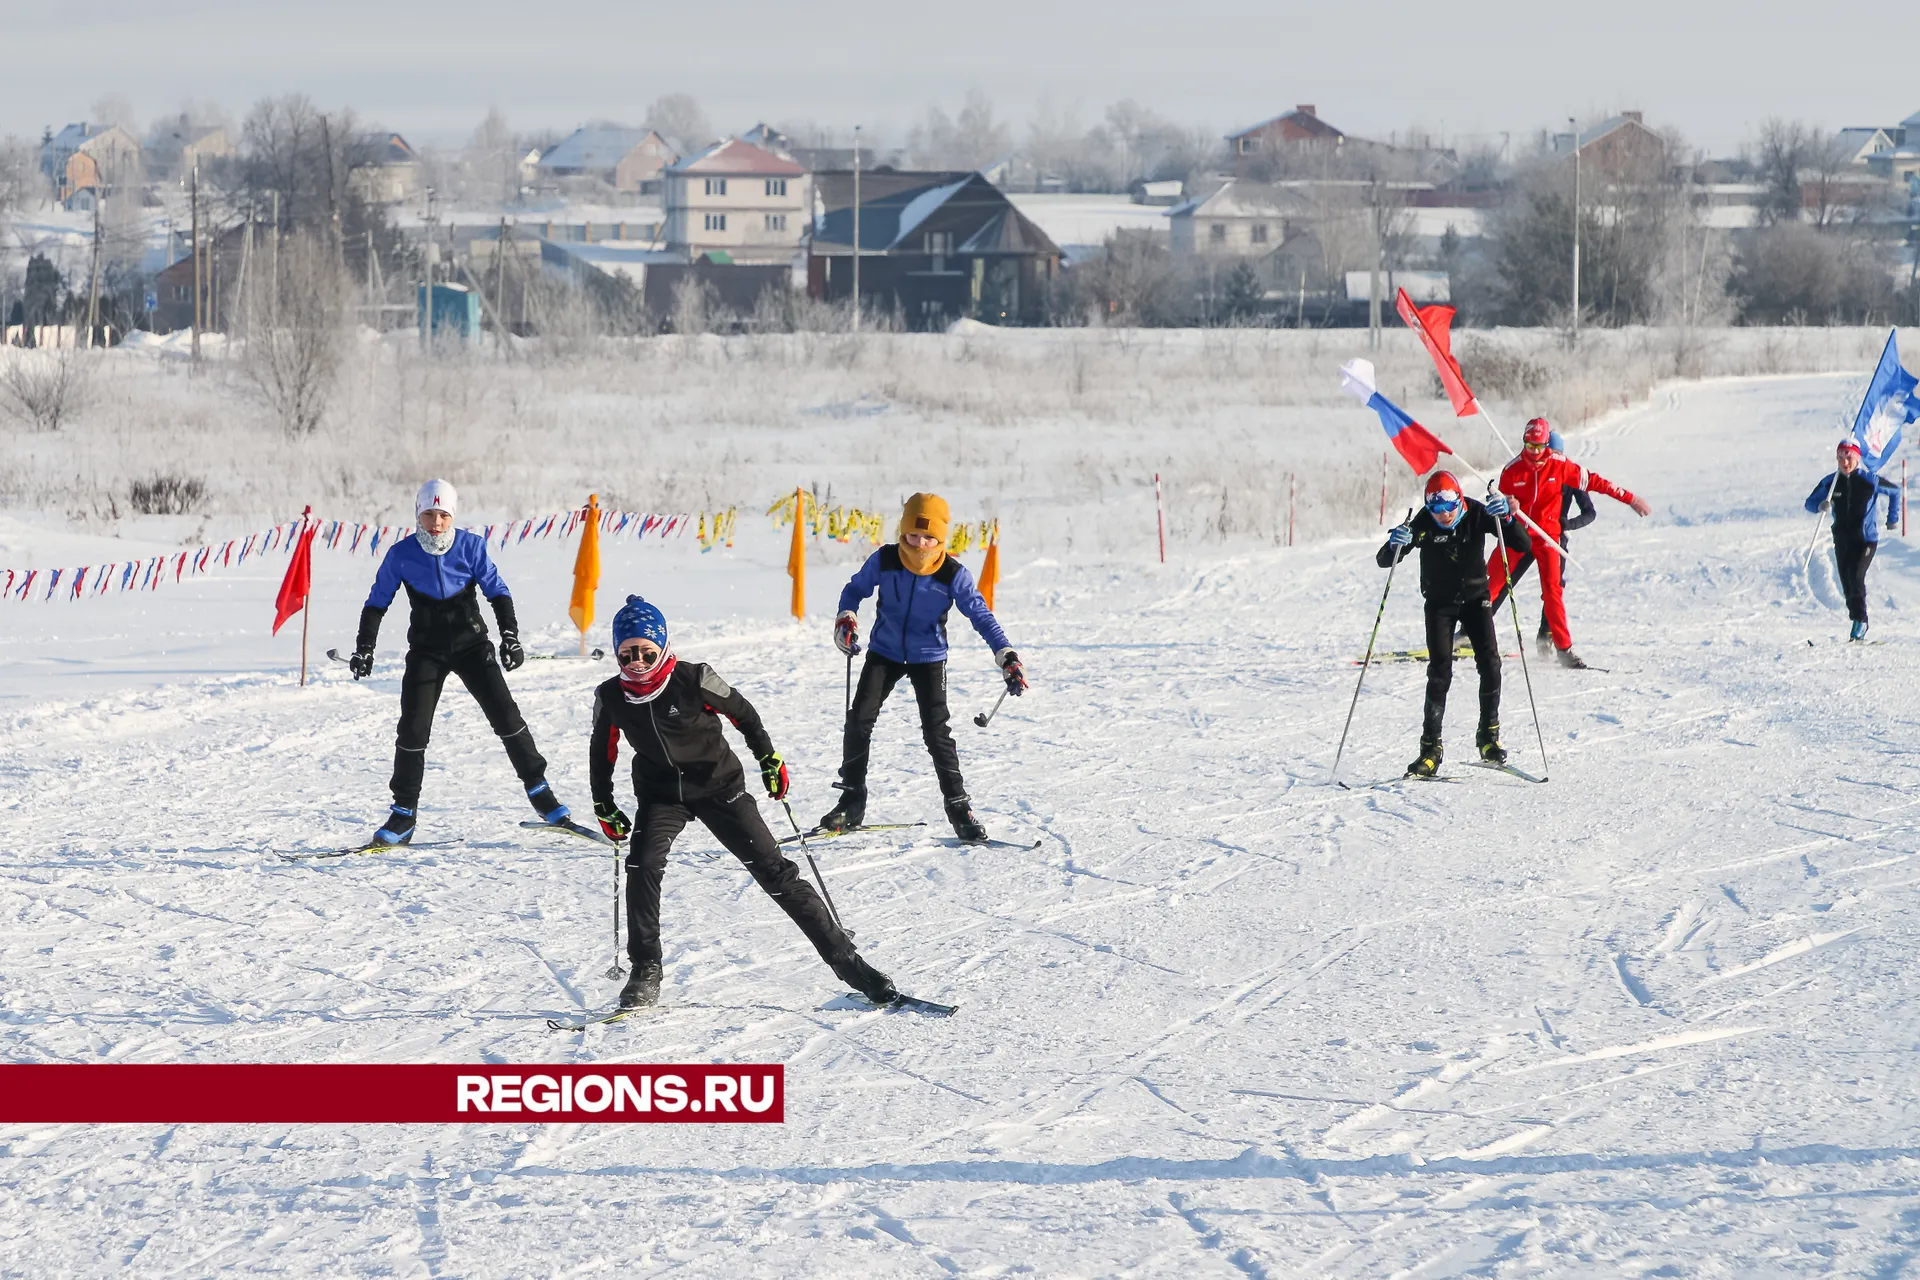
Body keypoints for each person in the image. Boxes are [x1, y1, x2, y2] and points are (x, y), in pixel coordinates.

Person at [588, 595, 898, 1009]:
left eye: (646, 651)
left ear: (661, 646)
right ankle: (646, 969)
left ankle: (850, 964)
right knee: (642, 866)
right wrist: (603, 803)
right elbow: (601, 749)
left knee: (776, 873)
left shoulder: (695, 677)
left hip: (719, 788)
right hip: (661, 795)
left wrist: (768, 758)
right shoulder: (611, 695)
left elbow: (744, 714)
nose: (638, 662)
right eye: (627, 654)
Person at [350, 480, 572, 846]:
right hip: (426, 651)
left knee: (507, 717)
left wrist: (510, 636)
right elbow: (377, 601)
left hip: (472, 646)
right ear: (417, 515)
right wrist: (365, 647)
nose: (436, 523)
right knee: (413, 730)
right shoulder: (401, 554)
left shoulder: (471, 546)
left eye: (443, 515)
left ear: (452, 516)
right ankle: (403, 813)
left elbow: (497, 591)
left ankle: (540, 791)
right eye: (428, 514)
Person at [823, 492, 1026, 842]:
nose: (920, 543)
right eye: (913, 535)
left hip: (929, 657)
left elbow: (980, 615)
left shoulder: (952, 573)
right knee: (859, 719)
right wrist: (846, 618)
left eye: (929, 537)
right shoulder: (885, 560)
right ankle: (851, 800)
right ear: (903, 531)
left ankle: (960, 809)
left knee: (937, 733)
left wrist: (1005, 655)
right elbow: (854, 589)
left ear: (941, 539)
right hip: (884, 652)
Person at [1379, 471, 1532, 777]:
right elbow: (1386, 560)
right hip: (1440, 605)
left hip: (1477, 600)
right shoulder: (1423, 521)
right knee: (1439, 673)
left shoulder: (1476, 512)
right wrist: (1396, 542)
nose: (1444, 515)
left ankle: (1488, 738)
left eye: (1449, 506)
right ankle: (1430, 749)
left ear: (1459, 499)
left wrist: (1508, 518)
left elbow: (1522, 544)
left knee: (1490, 664)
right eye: (1436, 509)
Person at [1489, 417, 1651, 669]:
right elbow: (1498, 508)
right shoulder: (1512, 470)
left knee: (1553, 590)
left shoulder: (1560, 466)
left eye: (1539, 447)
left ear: (1547, 445)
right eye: (1528, 446)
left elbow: (1599, 483)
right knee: (1492, 580)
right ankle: (1469, 634)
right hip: (1519, 533)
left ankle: (1563, 648)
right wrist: (1508, 508)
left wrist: (1630, 499)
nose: (1533, 453)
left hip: (1548, 537)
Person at [1494, 426, 1597, 655]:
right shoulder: (1527, 472)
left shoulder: (1568, 474)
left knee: (1553, 588)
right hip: (1524, 535)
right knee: (1504, 579)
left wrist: (1566, 525)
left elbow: (1590, 512)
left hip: (1553, 538)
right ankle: (1474, 628)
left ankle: (1546, 636)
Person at [1805, 440, 1902, 641]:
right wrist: (1821, 505)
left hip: (1866, 540)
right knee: (1847, 584)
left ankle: (1861, 621)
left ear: (1857, 458)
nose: (1844, 461)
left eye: (1848, 456)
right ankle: (1856, 619)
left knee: (1856, 576)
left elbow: (1894, 491)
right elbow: (1810, 502)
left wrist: (1892, 518)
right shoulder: (1830, 482)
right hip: (1842, 539)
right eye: (1840, 457)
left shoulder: (1869, 480)